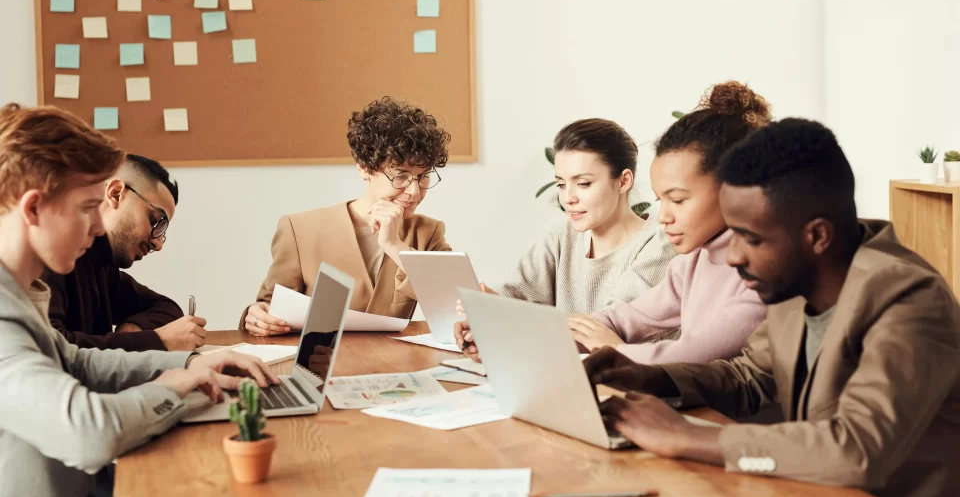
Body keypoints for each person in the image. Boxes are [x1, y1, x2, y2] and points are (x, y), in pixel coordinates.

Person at [587, 119, 960, 497]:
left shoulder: (909, 300)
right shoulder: (798, 281)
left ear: (816, 236)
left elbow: (856, 449)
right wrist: (655, 377)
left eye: (749, 238)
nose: (733, 257)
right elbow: (751, 375)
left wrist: (689, 437)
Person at [0, 103, 278, 497]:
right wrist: (169, 388)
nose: (96, 226)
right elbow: (87, 432)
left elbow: (76, 360)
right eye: (87, 208)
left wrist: (195, 361)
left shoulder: (21, 293)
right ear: (34, 207)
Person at [567, 81, 769, 365]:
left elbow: (692, 355)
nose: (663, 217)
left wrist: (615, 351)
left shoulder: (768, 271)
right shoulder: (692, 262)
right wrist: (551, 337)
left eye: (679, 200)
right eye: (661, 201)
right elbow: (624, 319)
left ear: (735, 188)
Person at [243, 97, 452, 335]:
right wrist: (258, 314)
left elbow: (454, 307)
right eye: (401, 176)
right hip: (322, 362)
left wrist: (394, 245)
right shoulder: (299, 230)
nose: (414, 191)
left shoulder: (428, 232)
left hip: (396, 363)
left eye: (423, 176)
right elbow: (268, 304)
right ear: (364, 168)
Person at [492, 118, 676, 312]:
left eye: (583, 184)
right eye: (561, 185)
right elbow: (514, 292)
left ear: (623, 181)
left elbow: (613, 325)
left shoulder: (660, 246)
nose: (568, 198)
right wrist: (485, 309)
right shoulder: (563, 236)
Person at [42, 153, 206, 352]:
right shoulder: (49, 253)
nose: (158, 244)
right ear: (116, 193)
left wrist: (134, 329)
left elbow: (166, 307)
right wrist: (155, 340)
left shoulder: (103, 266)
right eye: (156, 221)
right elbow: (50, 350)